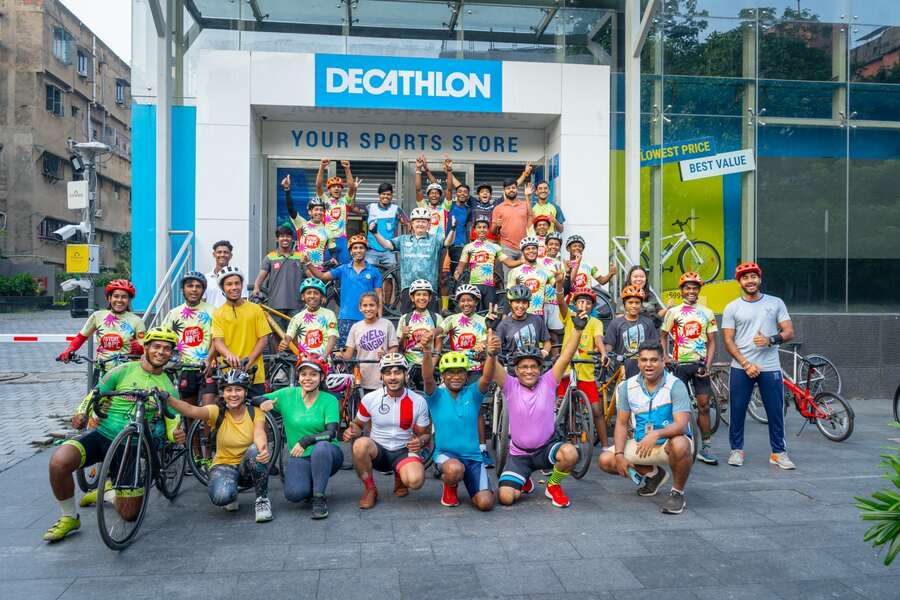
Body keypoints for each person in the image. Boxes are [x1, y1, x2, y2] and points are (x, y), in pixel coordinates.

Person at [43, 328, 182, 542]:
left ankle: (106, 493)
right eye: (156, 346)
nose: (161, 352)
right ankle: (69, 517)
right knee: (59, 462)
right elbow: (95, 393)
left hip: (132, 447)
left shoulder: (168, 387)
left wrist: (176, 435)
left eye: (166, 349)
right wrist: (82, 413)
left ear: (171, 353)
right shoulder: (123, 370)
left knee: (129, 515)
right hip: (104, 435)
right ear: (146, 347)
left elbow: (173, 419)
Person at [492, 309, 588, 508]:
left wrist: (577, 329)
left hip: (546, 449)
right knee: (505, 498)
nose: (529, 371)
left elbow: (565, 357)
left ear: (540, 368)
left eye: (533, 366)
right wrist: (490, 332)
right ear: (516, 371)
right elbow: (492, 365)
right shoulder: (510, 385)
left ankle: (553, 485)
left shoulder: (549, 381)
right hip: (519, 456)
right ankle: (523, 480)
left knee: (570, 453)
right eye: (524, 367)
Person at [162, 368, 273, 522]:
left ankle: (262, 500)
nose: (233, 394)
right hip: (224, 464)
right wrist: (168, 398)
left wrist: (263, 449)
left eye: (238, 389)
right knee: (221, 498)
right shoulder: (216, 411)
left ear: (246, 392)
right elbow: (191, 410)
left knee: (255, 451)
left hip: (248, 466)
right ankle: (231, 494)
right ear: (223, 393)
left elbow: (259, 432)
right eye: (229, 390)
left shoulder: (254, 411)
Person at [597, 342, 694, 515]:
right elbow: (620, 423)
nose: (648, 364)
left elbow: (682, 424)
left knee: (680, 444)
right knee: (606, 460)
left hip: (669, 444)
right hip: (642, 444)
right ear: (638, 363)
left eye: (654, 360)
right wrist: (619, 454)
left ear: (663, 361)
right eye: (644, 360)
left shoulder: (676, 385)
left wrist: (657, 434)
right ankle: (654, 475)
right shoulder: (627, 386)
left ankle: (677, 493)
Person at [722, 262, 795, 470]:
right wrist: (745, 364)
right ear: (739, 282)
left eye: (754, 276)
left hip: (770, 367)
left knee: (775, 411)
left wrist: (771, 339)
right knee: (737, 410)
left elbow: (789, 332)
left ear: (760, 279)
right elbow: (728, 340)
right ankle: (736, 450)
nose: (750, 280)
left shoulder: (776, 302)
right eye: (745, 277)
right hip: (741, 368)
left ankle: (778, 453)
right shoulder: (732, 307)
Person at [256, 354, 341, 519]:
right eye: (303, 374)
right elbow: (255, 398)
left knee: (321, 448)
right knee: (294, 494)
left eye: (313, 374)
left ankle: (319, 498)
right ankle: (313, 482)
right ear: (298, 376)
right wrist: (261, 402)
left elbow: (331, 434)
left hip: (328, 454)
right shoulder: (287, 394)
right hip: (300, 456)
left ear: (321, 377)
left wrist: (306, 440)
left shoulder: (329, 400)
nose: (307, 378)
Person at [342, 353, 432, 509]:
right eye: (387, 373)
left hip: (404, 451)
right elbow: (358, 425)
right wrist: (352, 432)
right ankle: (370, 489)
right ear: (381, 376)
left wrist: (421, 441)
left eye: (397, 372)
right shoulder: (370, 399)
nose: (393, 377)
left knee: (416, 481)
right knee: (359, 445)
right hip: (379, 451)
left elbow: (426, 434)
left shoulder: (418, 401)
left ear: (406, 374)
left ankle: (400, 477)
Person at [422, 345, 499, 511]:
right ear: (443, 376)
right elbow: (427, 378)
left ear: (466, 375)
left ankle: (480, 484)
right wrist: (427, 352)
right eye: (450, 372)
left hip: (473, 459)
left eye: (460, 372)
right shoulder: (436, 395)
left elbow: (487, 377)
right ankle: (450, 487)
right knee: (455, 469)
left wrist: (491, 355)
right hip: (446, 456)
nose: (455, 376)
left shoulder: (473, 393)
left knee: (485, 503)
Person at [661, 272, 719, 465]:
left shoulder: (707, 312)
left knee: (703, 405)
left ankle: (706, 447)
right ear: (682, 290)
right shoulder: (673, 312)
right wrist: (666, 355)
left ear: (699, 290)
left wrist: (708, 365)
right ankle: (678, 442)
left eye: (695, 288)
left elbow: (712, 342)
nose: (691, 291)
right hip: (679, 365)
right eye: (688, 288)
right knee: (678, 407)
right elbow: (663, 335)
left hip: (700, 365)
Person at [442, 284, 493, 467]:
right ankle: (451, 448)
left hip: (475, 369)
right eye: (463, 300)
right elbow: (438, 331)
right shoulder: (452, 319)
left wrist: (484, 346)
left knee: (477, 410)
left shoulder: (483, 320)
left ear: (476, 302)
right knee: (452, 409)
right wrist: (431, 336)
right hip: (455, 370)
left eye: (470, 300)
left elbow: (489, 338)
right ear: (458, 302)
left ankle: (482, 449)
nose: (466, 303)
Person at [369, 206, 454, 313]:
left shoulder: (435, 239)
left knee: (430, 322)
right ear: (412, 224)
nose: (420, 224)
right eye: (417, 221)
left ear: (428, 224)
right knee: (407, 321)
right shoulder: (403, 240)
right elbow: (387, 245)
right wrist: (375, 233)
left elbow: (447, 243)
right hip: (408, 287)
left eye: (423, 222)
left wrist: (453, 230)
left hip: (429, 288)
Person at [307, 234, 383, 348]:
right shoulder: (343, 269)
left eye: (361, 248)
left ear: (365, 250)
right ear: (350, 251)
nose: (358, 250)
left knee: (365, 353)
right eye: (355, 248)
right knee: (343, 355)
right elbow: (322, 276)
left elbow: (379, 296)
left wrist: (380, 317)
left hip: (367, 318)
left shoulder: (374, 271)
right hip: (345, 318)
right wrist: (308, 264)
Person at [557, 287, 610, 448]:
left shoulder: (596, 322)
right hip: (567, 371)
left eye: (588, 303)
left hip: (585, 373)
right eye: (581, 302)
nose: (584, 305)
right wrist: (560, 285)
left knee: (596, 410)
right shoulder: (569, 317)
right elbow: (560, 303)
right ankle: (571, 444)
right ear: (575, 304)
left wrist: (603, 353)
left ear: (592, 306)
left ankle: (606, 446)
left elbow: (599, 339)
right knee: (567, 409)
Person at [56, 279, 145, 371]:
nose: (119, 300)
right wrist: (69, 350)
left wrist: (139, 348)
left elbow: (144, 347)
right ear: (109, 298)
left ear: (129, 299)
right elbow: (81, 337)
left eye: (124, 297)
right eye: (116, 296)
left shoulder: (137, 321)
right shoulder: (98, 316)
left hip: (127, 372)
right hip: (102, 369)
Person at [212, 266, 272, 396]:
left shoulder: (255, 309)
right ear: (222, 288)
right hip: (229, 375)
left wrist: (250, 360)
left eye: (237, 283)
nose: (234, 287)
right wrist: (229, 355)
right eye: (229, 284)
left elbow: (263, 339)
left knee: (257, 414)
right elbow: (218, 341)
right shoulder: (218, 313)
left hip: (254, 374)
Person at [162, 271, 217, 407]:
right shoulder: (174, 313)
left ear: (203, 290)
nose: (194, 289)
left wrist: (210, 359)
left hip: (207, 368)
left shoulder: (213, 311)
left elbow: (217, 338)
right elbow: (163, 339)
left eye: (198, 286)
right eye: (190, 285)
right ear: (183, 289)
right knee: (188, 414)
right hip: (184, 369)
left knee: (208, 413)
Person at [453, 214, 518, 311]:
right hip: (474, 286)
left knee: (490, 313)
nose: (482, 230)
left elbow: (509, 263)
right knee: (474, 313)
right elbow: (461, 267)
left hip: (489, 286)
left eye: (484, 227)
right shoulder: (468, 247)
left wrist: (523, 260)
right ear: (474, 230)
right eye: (479, 227)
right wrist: (457, 273)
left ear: (488, 229)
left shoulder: (495, 247)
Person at [341, 292, 399, 396]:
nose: (368, 309)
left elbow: (394, 347)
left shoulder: (387, 324)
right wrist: (340, 354)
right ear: (360, 308)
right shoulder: (356, 327)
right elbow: (348, 354)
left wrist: (386, 355)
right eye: (365, 305)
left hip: (383, 377)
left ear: (378, 307)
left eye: (372, 305)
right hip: (362, 377)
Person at [252, 225, 305, 325]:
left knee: (295, 336)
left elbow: (310, 275)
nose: (285, 238)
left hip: (296, 305)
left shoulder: (300, 256)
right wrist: (256, 288)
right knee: (276, 336)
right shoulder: (270, 257)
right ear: (277, 239)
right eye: (282, 236)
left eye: (288, 236)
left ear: (292, 239)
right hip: (275, 304)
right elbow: (260, 277)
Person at [397, 279, 443, 389]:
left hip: (430, 363)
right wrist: (403, 336)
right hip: (410, 365)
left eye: (425, 295)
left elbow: (438, 345)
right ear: (412, 298)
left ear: (430, 297)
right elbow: (400, 348)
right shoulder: (405, 318)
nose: (422, 298)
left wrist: (432, 363)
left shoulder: (437, 318)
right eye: (418, 295)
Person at [604, 285, 659, 378]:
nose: (634, 305)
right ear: (624, 304)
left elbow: (654, 344)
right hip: (622, 368)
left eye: (637, 303)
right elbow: (609, 344)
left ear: (641, 304)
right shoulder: (616, 323)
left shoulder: (648, 323)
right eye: (630, 302)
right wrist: (606, 355)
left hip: (644, 368)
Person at [282, 174, 335, 268]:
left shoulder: (328, 230)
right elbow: (291, 210)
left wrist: (334, 260)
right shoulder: (302, 224)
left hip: (318, 270)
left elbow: (332, 251)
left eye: (321, 210)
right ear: (310, 212)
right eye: (316, 209)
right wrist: (287, 190)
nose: (319, 212)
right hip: (300, 267)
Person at [315, 158, 358, 265]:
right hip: (327, 240)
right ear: (329, 190)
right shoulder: (325, 201)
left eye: (339, 186)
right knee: (325, 270)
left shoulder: (345, 201)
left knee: (344, 269)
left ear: (341, 189)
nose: (336, 188)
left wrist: (347, 168)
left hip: (342, 240)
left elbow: (352, 187)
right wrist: (322, 167)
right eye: (333, 186)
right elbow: (318, 186)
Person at [280, 278, 337, 357]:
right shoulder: (296, 318)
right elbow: (290, 335)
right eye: (309, 293)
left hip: (325, 362)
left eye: (316, 293)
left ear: (322, 297)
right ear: (303, 297)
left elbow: (332, 337)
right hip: (304, 362)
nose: (312, 296)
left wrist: (324, 356)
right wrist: (285, 342)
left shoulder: (329, 314)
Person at [366, 182, 403, 304]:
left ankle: (387, 307)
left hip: (388, 250)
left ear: (392, 196)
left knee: (389, 279)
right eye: (383, 194)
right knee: (368, 278)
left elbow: (408, 222)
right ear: (379, 195)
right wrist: (354, 191)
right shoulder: (370, 207)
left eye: (388, 194)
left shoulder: (396, 209)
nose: (386, 196)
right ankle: (370, 305)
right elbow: (352, 208)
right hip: (371, 250)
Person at [492, 173, 533, 277]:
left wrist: (528, 196)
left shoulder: (524, 204)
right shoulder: (498, 208)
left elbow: (531, 216)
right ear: (504, 190)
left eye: (513, 188)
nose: (511, 190)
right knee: (508, 277)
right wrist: (496, 225)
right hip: (507, 247)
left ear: (517, 189)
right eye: (508, 188)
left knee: (525, 277)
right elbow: (492, 231)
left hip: (524, 246)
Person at [506, 236, 559, 317]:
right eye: (527, 249)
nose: (531, 251)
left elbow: (560, 290)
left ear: (537, 250)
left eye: (534, 248)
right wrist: (505, 314)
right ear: (522, 251)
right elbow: (508, 296)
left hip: (538, 315)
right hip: (519, 315)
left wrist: (562, 280)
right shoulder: (514, 272)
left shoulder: (546, 271)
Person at [494, 284, 551, 357]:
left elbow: (547, 342)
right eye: (517, 302)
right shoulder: (503, 325)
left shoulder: (537, 320)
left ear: (528, 304)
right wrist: (490, 329)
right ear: (510, 303)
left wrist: (544, 352)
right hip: (512, 365)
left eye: (524, 302)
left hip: (535, 363)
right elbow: (495, 347)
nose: (520, 306)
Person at [541, 232, 566, 350]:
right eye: (551, 244)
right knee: (540, 334)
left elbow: (564, 284)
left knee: (554, 334)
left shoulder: (562, 264)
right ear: (546, 246)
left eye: (556, 244)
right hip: (541, 302)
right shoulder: (538, 261)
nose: (553, 246)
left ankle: (555, 360)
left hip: (556, 302)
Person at [204, 240, 246, 308]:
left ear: (231, 255)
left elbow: (243, 300)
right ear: (214, 254)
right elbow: (203, 302)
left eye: (226, 252)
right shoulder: (206, 278)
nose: (222, 255)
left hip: (232, 317)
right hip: (211, 317)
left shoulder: (237, 277)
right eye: (219, 252)